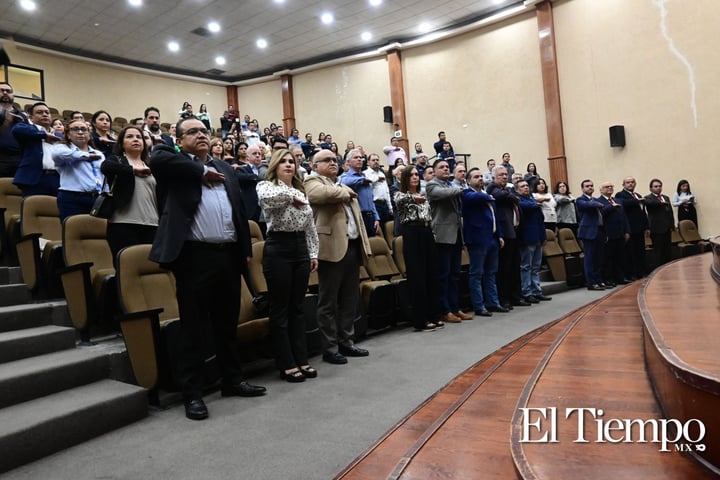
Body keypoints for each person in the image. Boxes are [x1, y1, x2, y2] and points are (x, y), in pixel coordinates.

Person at [148, 117, 266, 421]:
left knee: (227, 323)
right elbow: (156, 157)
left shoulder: (225, 167)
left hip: (227, 255)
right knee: (194, 327)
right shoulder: (173, 163)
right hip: (194, 256)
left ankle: (232, 380)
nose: (201, 135)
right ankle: (193, 393)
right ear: (179, 138)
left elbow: (238, 211)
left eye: (204, 131)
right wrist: (201, 170)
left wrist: (243, 252)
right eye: (193, 132)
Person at [256, 149, 319, 382]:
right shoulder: (266, 186)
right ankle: (286, 362)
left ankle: (301, 358)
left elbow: (310, 226)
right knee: (280, 309)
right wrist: (290, 197)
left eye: (292, 161)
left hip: (300, 247)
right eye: (283, 161)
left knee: (298, 307)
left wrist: (313, 253)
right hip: (278, 246)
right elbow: (268, 201)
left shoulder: (300, 190)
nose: (288, 165)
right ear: (274, 165)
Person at [305, 149, 371, 365]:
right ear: (315, 165)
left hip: (351, 246)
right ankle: (330, 348)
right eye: (327, 160)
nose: (333, 162)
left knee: (349, 299)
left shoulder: (342, 185)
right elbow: (320, 195)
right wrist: (345, 193)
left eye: (335, 160)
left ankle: (346, 341)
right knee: (328, 301)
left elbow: (357, 218)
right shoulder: (311, 180)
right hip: (330, 248)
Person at [100, 126, 158, 263]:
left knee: (149, 268)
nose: (135, 140)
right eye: (130, 137)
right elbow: (105, 167)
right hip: (123, 223)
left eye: (139, 137)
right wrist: (132, 170)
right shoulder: (117, 161)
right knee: (126, 267)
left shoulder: (151, 164)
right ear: (121, 143)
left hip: (152, 223)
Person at [426, 158, 473, 323]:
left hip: (456, 234)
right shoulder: (432, 185)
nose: (445, 169)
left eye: (447, 167)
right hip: (442, 235)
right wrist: (462, 187)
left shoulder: (452, 185)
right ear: (435, 170)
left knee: (455, 275)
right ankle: (444, 310)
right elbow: (444, 194)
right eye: (442, 167)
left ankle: (455, 307)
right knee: (443, 275)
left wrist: (459, 187)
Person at [395, 166, 441, 331]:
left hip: (427, 232)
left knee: (431, 274)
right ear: (405, 178)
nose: (415, 177)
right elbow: (400, 202)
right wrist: (414, 199)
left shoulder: (423, 195)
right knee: (417, 276)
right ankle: (420, 319)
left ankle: (433, 315)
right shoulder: (400, 195)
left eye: (416, 174)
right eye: (411, 175)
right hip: (412, 233)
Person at [462, 168, 506, 317]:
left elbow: (495, 217)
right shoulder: (467, 194)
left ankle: (493, 302)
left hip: (492, 237)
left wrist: (500, 235)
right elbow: (474, 199)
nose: (480, 179)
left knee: (491, 273)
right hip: (477, 239)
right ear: (468, 181)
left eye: (481, 176)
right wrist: (488, 197)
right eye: (476, 177)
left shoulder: (487, 196)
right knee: (477, 273)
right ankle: (479, 305)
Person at [487, 165, 527, 308]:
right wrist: (513, 197)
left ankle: (516, 296)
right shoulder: (492, 188)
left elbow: (513, 198)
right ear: (493, 177)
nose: (505, 177)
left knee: (515, 267)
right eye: (501, 175)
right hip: (504, 233)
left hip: (514, 232)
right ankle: (504, 299)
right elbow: (501, 196)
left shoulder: (507, 190)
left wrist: (513, 197)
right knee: (505, 268)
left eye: (505, 174)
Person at [51, 118, 105, 220]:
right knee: (73, 231)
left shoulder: (98, 154)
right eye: (75, 129)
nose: (80, 132)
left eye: (84, 129)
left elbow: (103, 176)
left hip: (96, 197)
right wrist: (86, 156)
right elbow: (57, 155)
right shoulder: (62, 149)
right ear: (68, 135)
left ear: (89, 135)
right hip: (72, 198)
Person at [12, 102, 63, 197]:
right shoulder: (27, 129)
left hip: (57, 178)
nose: (44, 114)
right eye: (40, 112)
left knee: (56, 210)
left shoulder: (59, 136)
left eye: (47, 112)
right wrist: (43, 135)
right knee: (33, 208)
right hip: (35, 178)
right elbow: (16, 130)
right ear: (31, 117)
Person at [340, 149, 380, 237]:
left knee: (371, 245)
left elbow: (371, 200)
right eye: (356, 157)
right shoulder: (345, 177)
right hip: (357, 216)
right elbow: (343, 182)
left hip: (370, 217)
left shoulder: (364, 176)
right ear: (348, 162)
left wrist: (376, 218)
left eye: (361, 157)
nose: (359, 159)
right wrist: (361, 180)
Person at [615, 176, 649, 280]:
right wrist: (637, 201)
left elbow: (643, 212)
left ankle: (641, 272)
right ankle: (632, 274)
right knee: (630, 252)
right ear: (623, 185)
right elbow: (624, 204)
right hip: (630, 228)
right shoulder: (620, 195)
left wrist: (646, 226)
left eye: (632, 182)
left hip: (640, 228)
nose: (630, 184)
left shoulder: (637, 195)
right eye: (628, 182)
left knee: (640, 251)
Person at [597, 181, 630, 286]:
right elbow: (600, 215)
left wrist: (627, 230)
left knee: (620, 257)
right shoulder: (598, 201)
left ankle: (620, 277)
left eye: (611, 186)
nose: (610, 188)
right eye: (607, 187)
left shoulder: (618, 200)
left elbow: (624, 217)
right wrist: (612, 207)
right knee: (608, 258)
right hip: (608, 233)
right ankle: (608, 279)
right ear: (601, 190)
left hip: (620, 232)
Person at [576, 179, 606, 290]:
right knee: (590, 258)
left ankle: (598, 280)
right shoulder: (580, 200)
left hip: (600, 230)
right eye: (587, 186)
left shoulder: (595, 200)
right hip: (588, 232)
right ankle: (591, 282)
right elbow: (588, 205)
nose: (590, 187)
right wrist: (598, 203)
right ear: (583, 189)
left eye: (591, 186)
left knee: (599, 257)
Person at [644, 178, 674, 267]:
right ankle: (658, 268)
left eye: (660, 186)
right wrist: (661, 203)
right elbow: (650, 204)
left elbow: (670, 212)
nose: (658, 188)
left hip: (667, 228)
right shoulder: (648, 198)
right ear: (651, 188)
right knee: (658, 251)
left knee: (667, 250)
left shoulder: (666, 197)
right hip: (656, 228)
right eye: (656, 186)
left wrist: (672, 224)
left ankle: (667, 266)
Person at [0, 82, 28, 177]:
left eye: (8, 91)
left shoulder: (22, 116)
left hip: (19, 159)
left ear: (13, 95)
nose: (5, 93)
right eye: (1, 90)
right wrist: (5, 123)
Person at [363, 153, 393, 226]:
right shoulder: (365, 174)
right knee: (378, 227)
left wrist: (390, 207)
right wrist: (377, 179)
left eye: (377, 160)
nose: (376, 162)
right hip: (375, 205)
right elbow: (368, 186)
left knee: (387, 226)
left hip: (384, 204)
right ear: (368, 162)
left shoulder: (381, 174)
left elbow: (386, 191)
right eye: (373, 160)